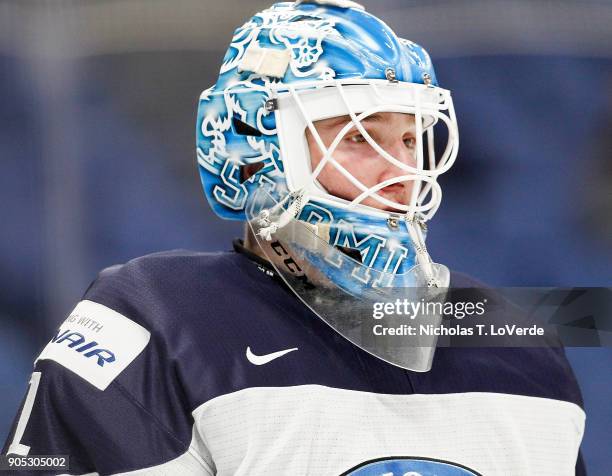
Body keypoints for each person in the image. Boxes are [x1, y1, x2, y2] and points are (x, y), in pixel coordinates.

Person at [3, 1, 586, 475]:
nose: (403, 171)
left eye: (411, 140)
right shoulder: (151, 318)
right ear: (256, 145)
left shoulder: (517, 342)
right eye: (360, 136)